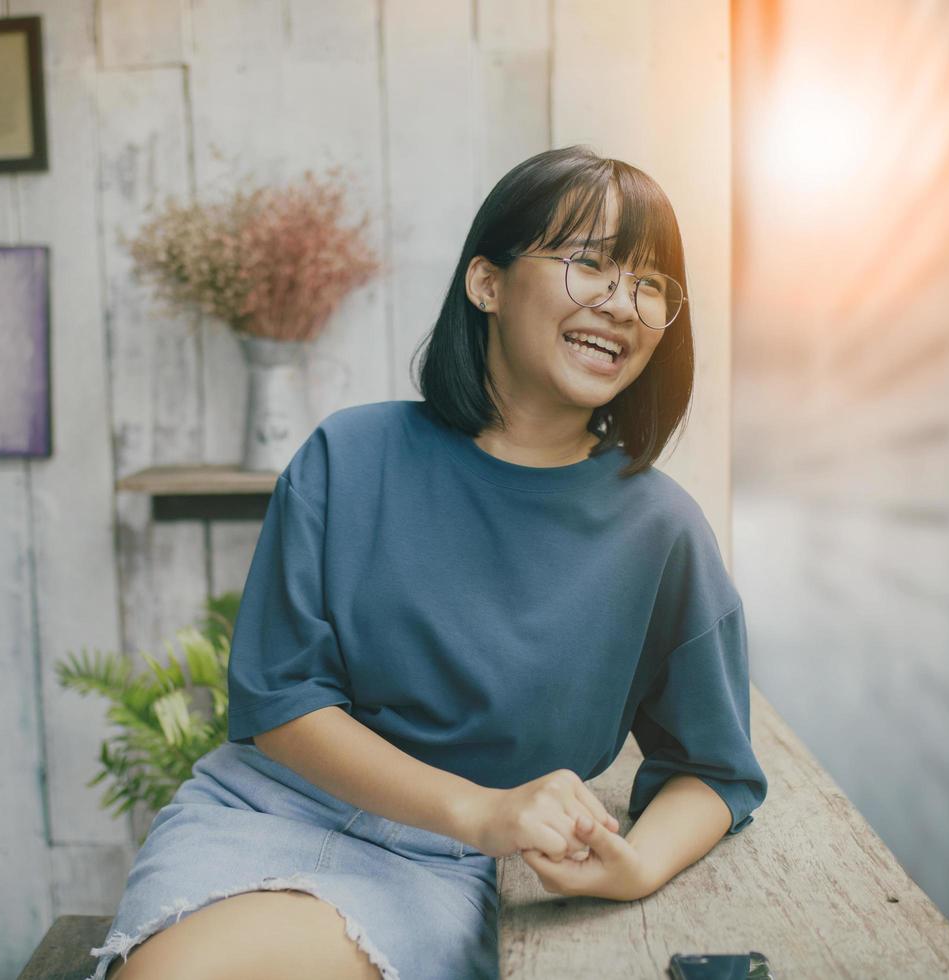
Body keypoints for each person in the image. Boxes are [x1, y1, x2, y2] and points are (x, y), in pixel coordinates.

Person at [87, 145, 767, 980]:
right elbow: (282, 701)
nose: (622, 304)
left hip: (447, 867)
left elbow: (713, 768)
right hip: (262, 811)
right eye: (590, 265)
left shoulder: (662, 531)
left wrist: (640, 864)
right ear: (487, 282)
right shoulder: (350, 453)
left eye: (649, 285)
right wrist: (483, 809)